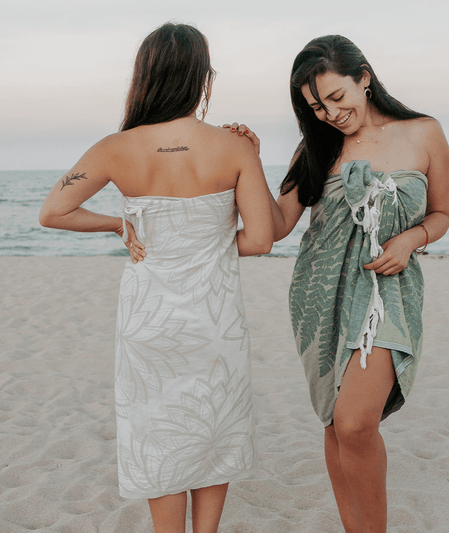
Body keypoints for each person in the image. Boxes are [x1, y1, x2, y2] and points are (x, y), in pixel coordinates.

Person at [40, 23, 273, 533]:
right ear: (202, 78)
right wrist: (208, 246)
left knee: (157, 430)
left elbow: (53, 212)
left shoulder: (115, 147)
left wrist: (120, 222)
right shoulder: (234, 147)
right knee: (214, 424)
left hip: (149, 317)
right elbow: (259, 240)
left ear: (144, 76)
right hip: (214, 318)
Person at [228, 35, 449, 532]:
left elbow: (440, 215)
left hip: (388, 289)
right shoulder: (315, 147)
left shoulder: (424, 132)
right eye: (315, 106)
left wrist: (410, 239)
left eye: (335, 97)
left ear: (364, 78)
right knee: (336, 421)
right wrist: (251, 159)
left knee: (355, 421)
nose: (329, 113)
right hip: (319, 290)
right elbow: (278, 226)